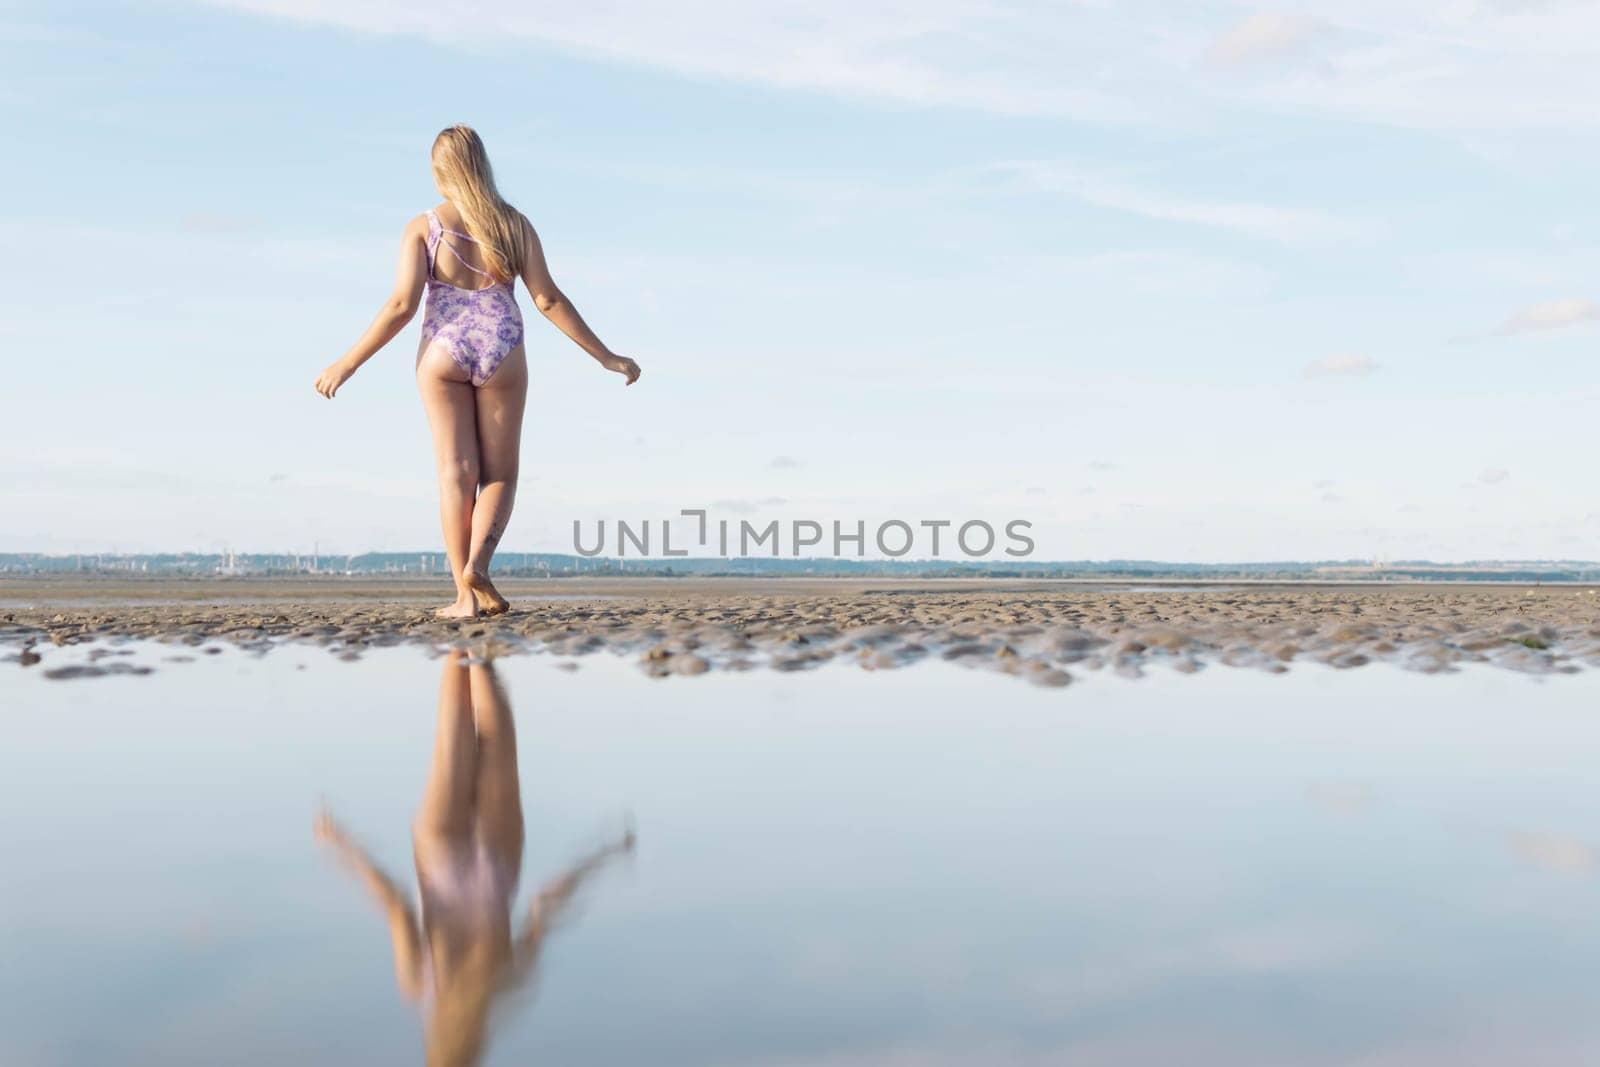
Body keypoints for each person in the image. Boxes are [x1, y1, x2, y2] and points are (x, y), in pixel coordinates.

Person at [315, 125, 641, 618]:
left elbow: (402, 304)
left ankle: (464, 598)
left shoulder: (425, 227)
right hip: (502, 346)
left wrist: (348, 362)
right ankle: (479, 564)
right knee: (500, 476)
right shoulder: (514, 225)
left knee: (455, 475)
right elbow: (548, 299)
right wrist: (606, 356)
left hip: (442, 350)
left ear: (438, 170)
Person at [316, 651, 635, 1067]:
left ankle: (478, 638)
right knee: (457, 716)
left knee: (494, 723)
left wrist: (602, 857)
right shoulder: (424, 986)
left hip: (494, 865)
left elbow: (546, 908)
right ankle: (466, 629)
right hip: (442, 857)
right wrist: (340, 842)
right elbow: (394, 904)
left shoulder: (504, 987)